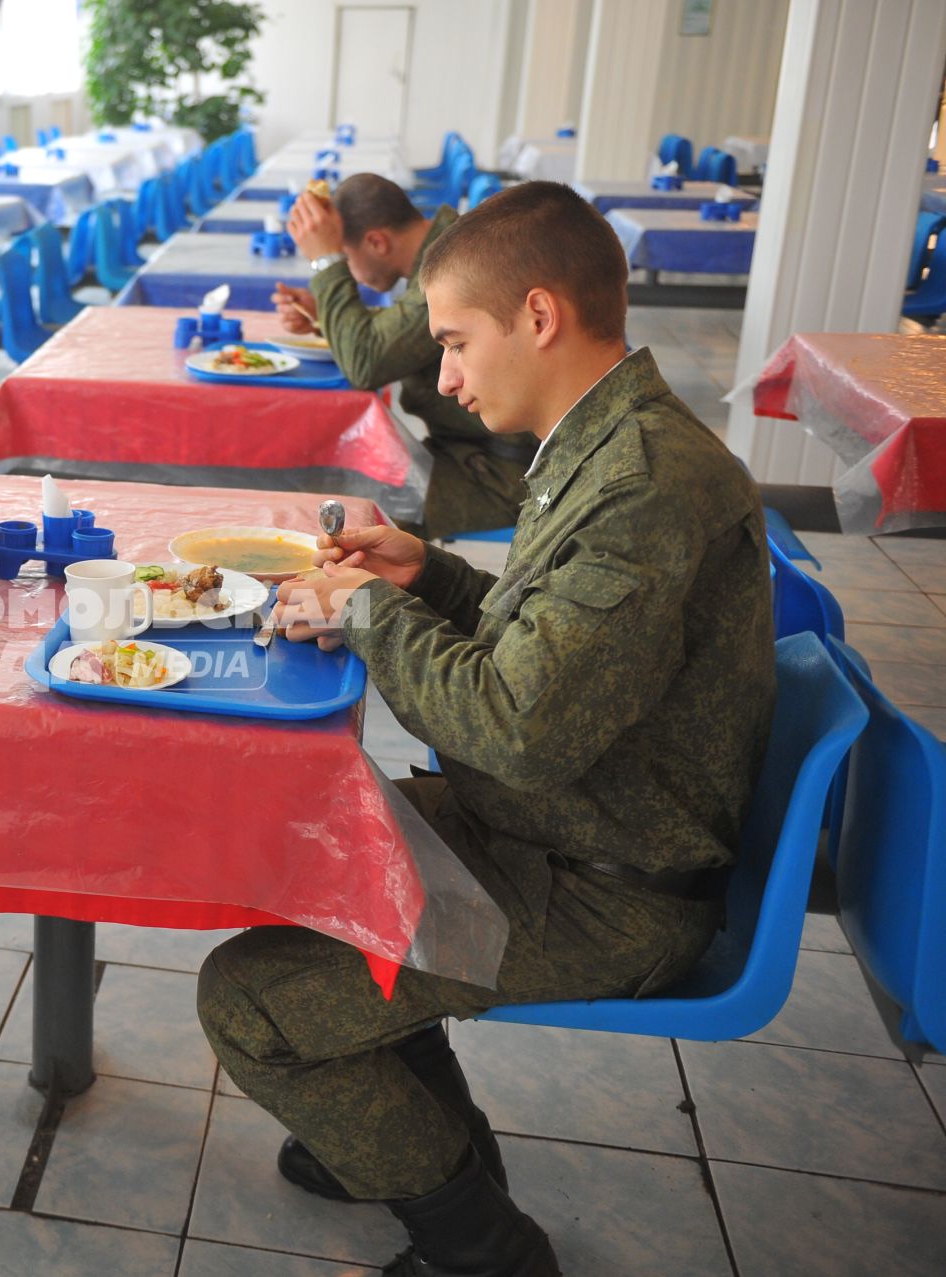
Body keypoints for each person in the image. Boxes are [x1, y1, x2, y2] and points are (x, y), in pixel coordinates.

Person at [200, 182, 775, 1276]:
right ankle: (394, 1124)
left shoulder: (647, 482)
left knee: (249, 999)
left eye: (457, 341)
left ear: (541, 316)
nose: (446, 377)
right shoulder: (606, 438)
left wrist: (367, 610)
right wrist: (435, 574)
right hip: (573, 825)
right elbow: (557, 652)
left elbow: (516, 723)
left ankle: (485, 1246)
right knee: (307, 854)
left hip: (606, 881)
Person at [274, 174, 533, 539]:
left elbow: (366, 363)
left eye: (345, 258)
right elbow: (409, 332)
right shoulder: (453, 245)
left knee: (337, 512)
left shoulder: (453, 269)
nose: (350, 273)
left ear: (377, 242)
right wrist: (325, 316)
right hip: (473, 454)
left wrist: (326, 264)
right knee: (332, 479)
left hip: (499, 477)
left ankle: (348, 596)